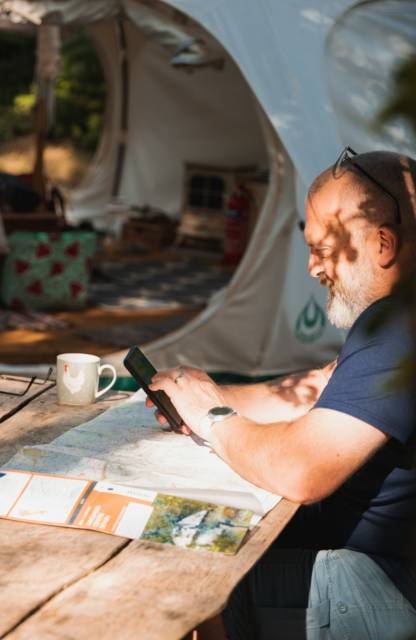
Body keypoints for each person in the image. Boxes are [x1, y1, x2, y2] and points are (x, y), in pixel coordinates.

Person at [147, 149, 416, 639]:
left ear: (383, 244)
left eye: (324, 249)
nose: (313, 268)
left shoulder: (397, 327)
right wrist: (200, 393)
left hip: (378, 588)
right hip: (369, 571)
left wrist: (212, 416)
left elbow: (300, 471)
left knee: (180, 570)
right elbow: (316, 387)